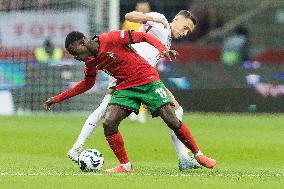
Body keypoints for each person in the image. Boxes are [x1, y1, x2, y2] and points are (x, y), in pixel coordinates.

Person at [44, 29, 216, 172]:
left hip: (147, 79)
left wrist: (162, 49)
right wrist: (58, 98)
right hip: (126, 87)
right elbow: (87, 84)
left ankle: (198, 155)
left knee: (171, 118)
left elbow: (143, 36)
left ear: (82, 43)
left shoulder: (111, 38)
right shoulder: (90, 61)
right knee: (109, 122)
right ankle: (125, 166)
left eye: (75, 53)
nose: (76, 58)